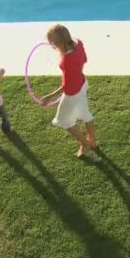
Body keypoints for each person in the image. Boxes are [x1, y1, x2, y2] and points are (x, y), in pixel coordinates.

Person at [37, 24, 98, 159]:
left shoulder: (66, 61)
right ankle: (92, 141)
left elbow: (67, 86)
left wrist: (49, 96)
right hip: (82, 84)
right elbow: (85, 59)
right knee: (85, 114)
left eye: (52, 43)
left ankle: (85, 143)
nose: (51, 45)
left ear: (57, 43)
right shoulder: (78, 43)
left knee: (63, 120)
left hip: (73, 93)